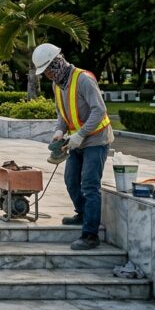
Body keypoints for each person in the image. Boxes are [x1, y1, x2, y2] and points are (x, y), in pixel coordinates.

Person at [33, 43, 114, 251]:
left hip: (96, 139)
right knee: (71, 179)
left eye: (48, 71)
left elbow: (99, 110)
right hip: (77, 140)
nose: (48, 76)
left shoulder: (84, 80)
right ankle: (82, 213)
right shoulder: (57, 85)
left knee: (89, 184)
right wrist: (59, 131)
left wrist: (81, 134)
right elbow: (62, 113)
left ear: (57, 63)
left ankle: (90, 234)